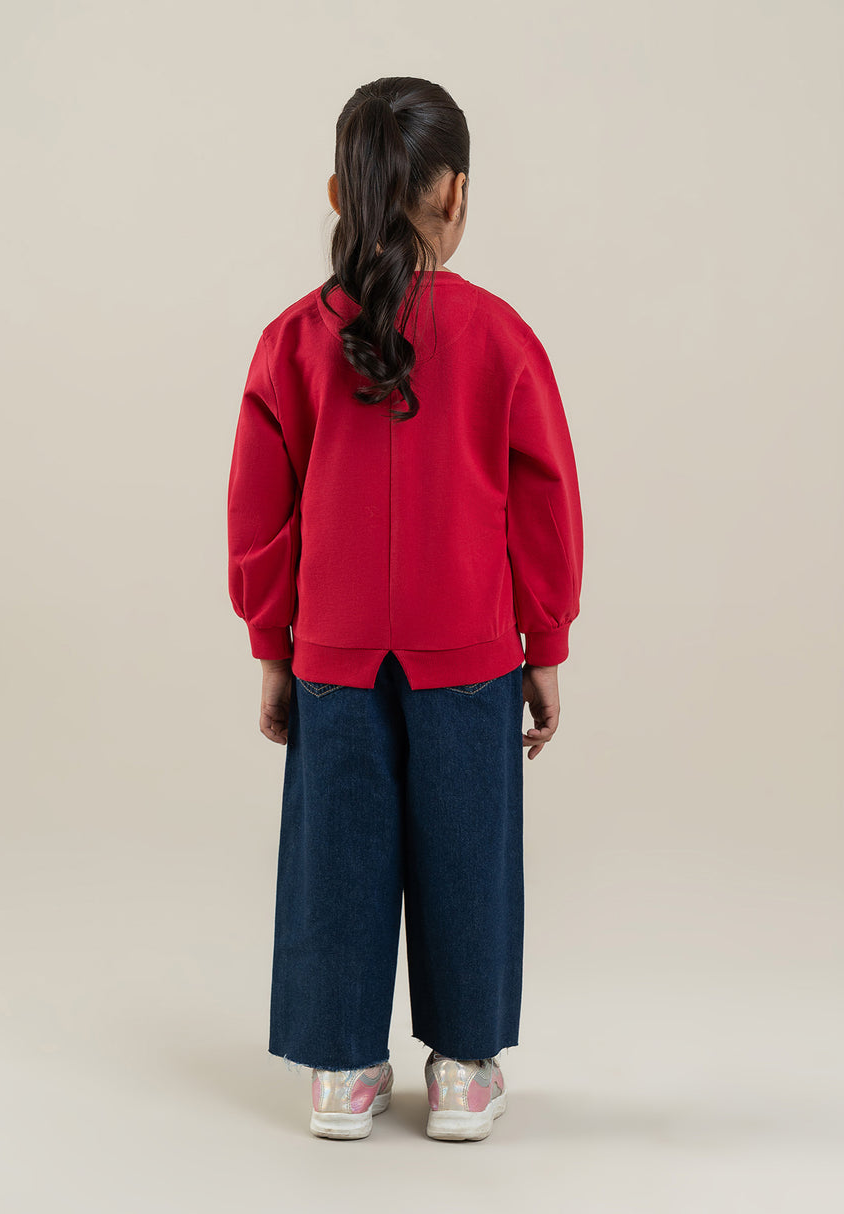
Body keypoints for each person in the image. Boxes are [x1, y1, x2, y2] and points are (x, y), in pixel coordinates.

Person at [226, 76, 583, 1142]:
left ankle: (341, 1070)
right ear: (456, 192)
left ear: (340, 192)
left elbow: (260, 508)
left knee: (335, 853)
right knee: (470, 850)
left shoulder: (293, 340)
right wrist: (546, 639)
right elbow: (543, 498)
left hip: (333, 651)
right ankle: (465, 1070)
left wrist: (272, 645)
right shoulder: (500, 336)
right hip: (469, 646)